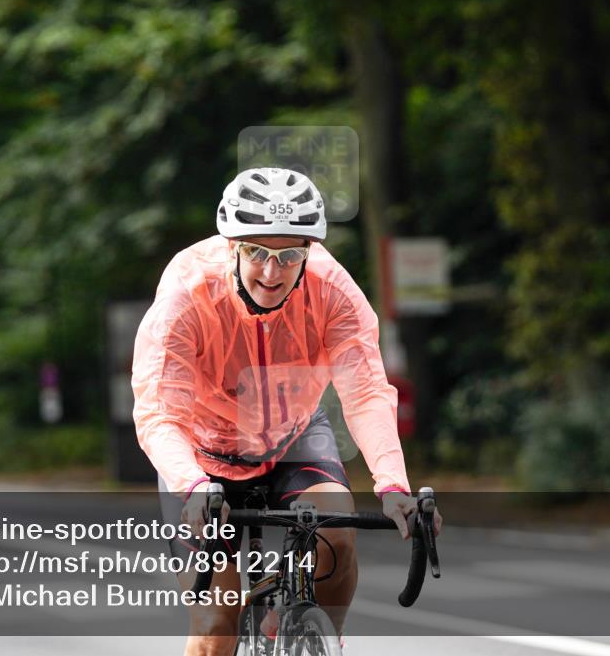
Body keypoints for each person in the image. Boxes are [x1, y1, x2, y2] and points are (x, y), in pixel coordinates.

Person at [132, 167, 442, 655]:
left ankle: (317, 639)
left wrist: (393, 484)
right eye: (256, 251)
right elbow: (157, 411)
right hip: (201, 455)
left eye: (289, 254)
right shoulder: (186, 295)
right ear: (232, 245)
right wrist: (190, 485)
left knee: (336, 535)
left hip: (292, 434)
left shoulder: (334, 293)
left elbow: (364, 392)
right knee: (217, 621)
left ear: (309, 251)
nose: (271, 272)